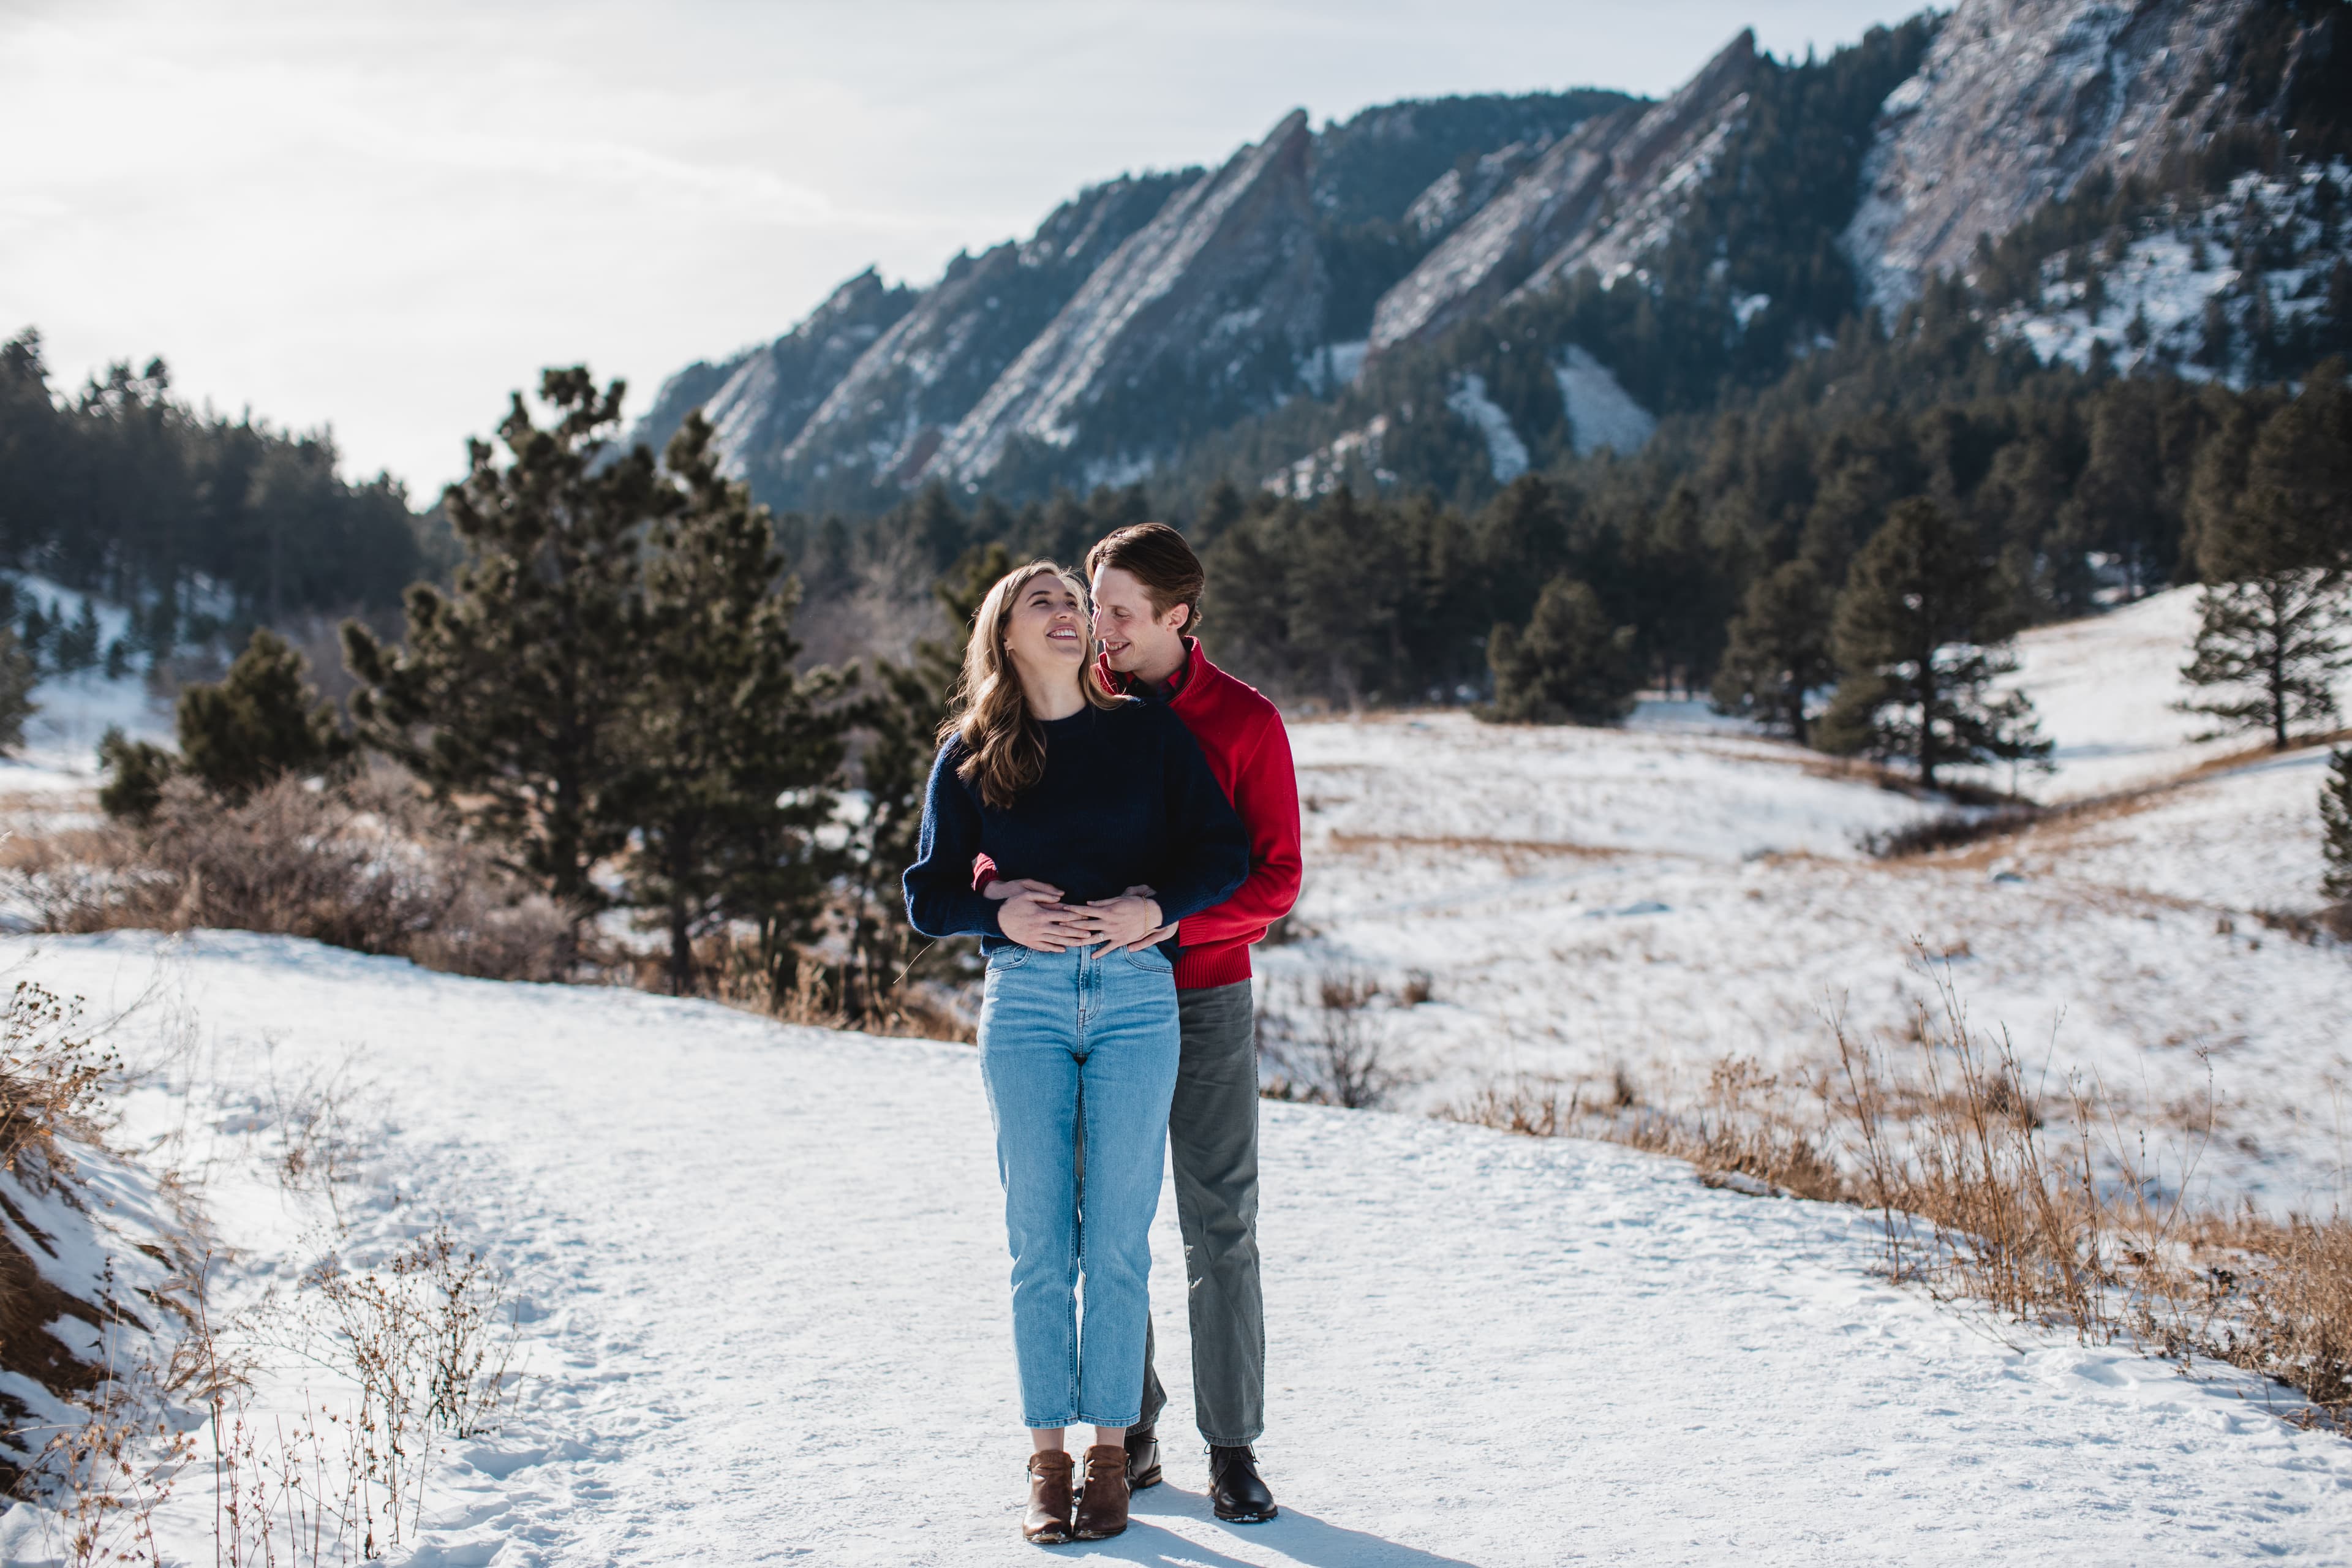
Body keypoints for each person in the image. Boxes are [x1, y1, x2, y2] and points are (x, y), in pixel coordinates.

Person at [904, 559, 1249, 1547]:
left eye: (1072, 598)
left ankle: (1113, 1456)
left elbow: (1218, 853)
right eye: (1041, 601)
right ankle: (1046, 1462)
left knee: (1117, 1241)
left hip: (1141, 999)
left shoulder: (1145, 734)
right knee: (1039, 1245)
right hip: (1027, 1003)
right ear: (1005, 637)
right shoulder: (973, 754)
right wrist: (996, 907)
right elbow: (927, 894)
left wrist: (1156, 907)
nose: (1066, 613)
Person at [978, 522, 1301, 1524]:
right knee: (1106, 1222)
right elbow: (1000, 823)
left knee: (1220, 1224)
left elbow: (1277, 878)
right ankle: (1132, 1424)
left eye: (1117, 611)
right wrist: (1000, 894)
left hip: (1199, 993)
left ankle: (1234, 1446)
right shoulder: (1079, 704)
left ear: (1177, 617)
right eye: (1089, 603)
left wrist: (1164, 918)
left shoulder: (1244, 723)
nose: (1096, 625)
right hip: (1085, 996)